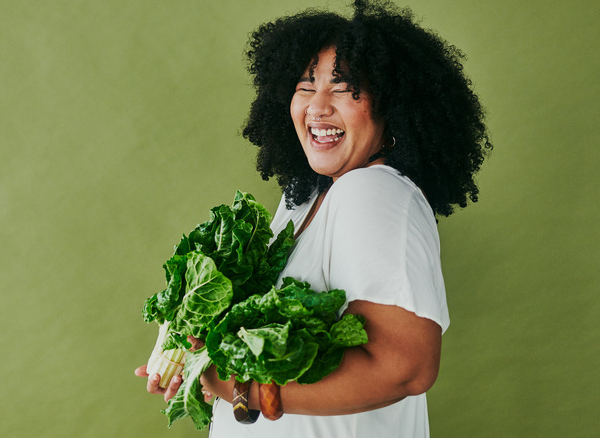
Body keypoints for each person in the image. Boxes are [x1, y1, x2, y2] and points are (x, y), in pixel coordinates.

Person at [135, 0, 491, 436]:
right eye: (306, 85)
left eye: (343, 88)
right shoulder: (305, 199)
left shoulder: (372, 191)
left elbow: (404, 368)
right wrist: (201, 358)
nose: (317, 107)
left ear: (393, 106)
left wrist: (234, 384)